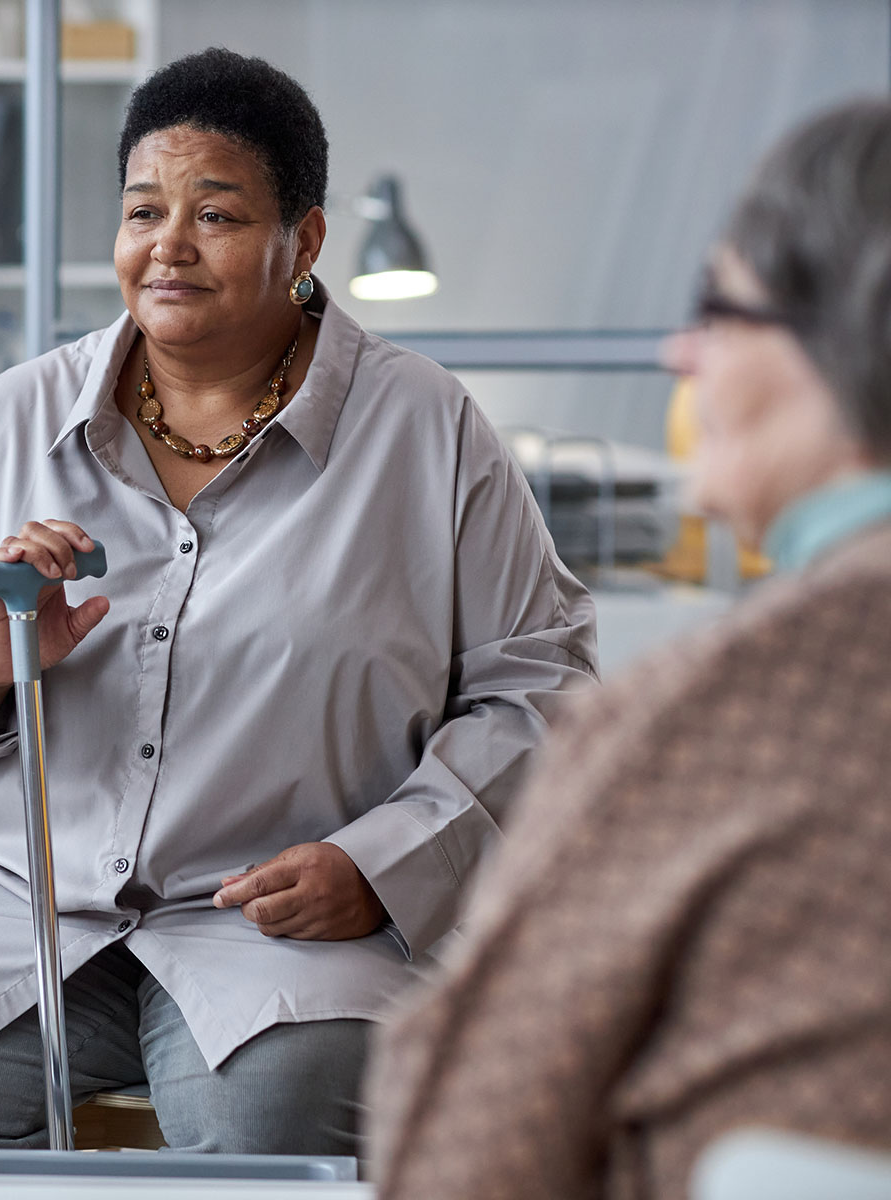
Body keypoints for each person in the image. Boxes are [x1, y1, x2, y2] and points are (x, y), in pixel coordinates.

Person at [0, 48, 597, 1185]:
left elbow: (544, 690)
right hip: (15, 902)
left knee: (281, 1104)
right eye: (143, 210)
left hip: (283, 919)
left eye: (215, 213)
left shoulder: (428, 431)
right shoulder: (5, 420)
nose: (167, 246)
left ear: (306, 242)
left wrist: (381, 864)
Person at [368, 96, 891, 1200]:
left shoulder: (724, 711)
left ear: (842, 337)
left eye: (719, 306)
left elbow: (467, 1149)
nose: (679, 352)